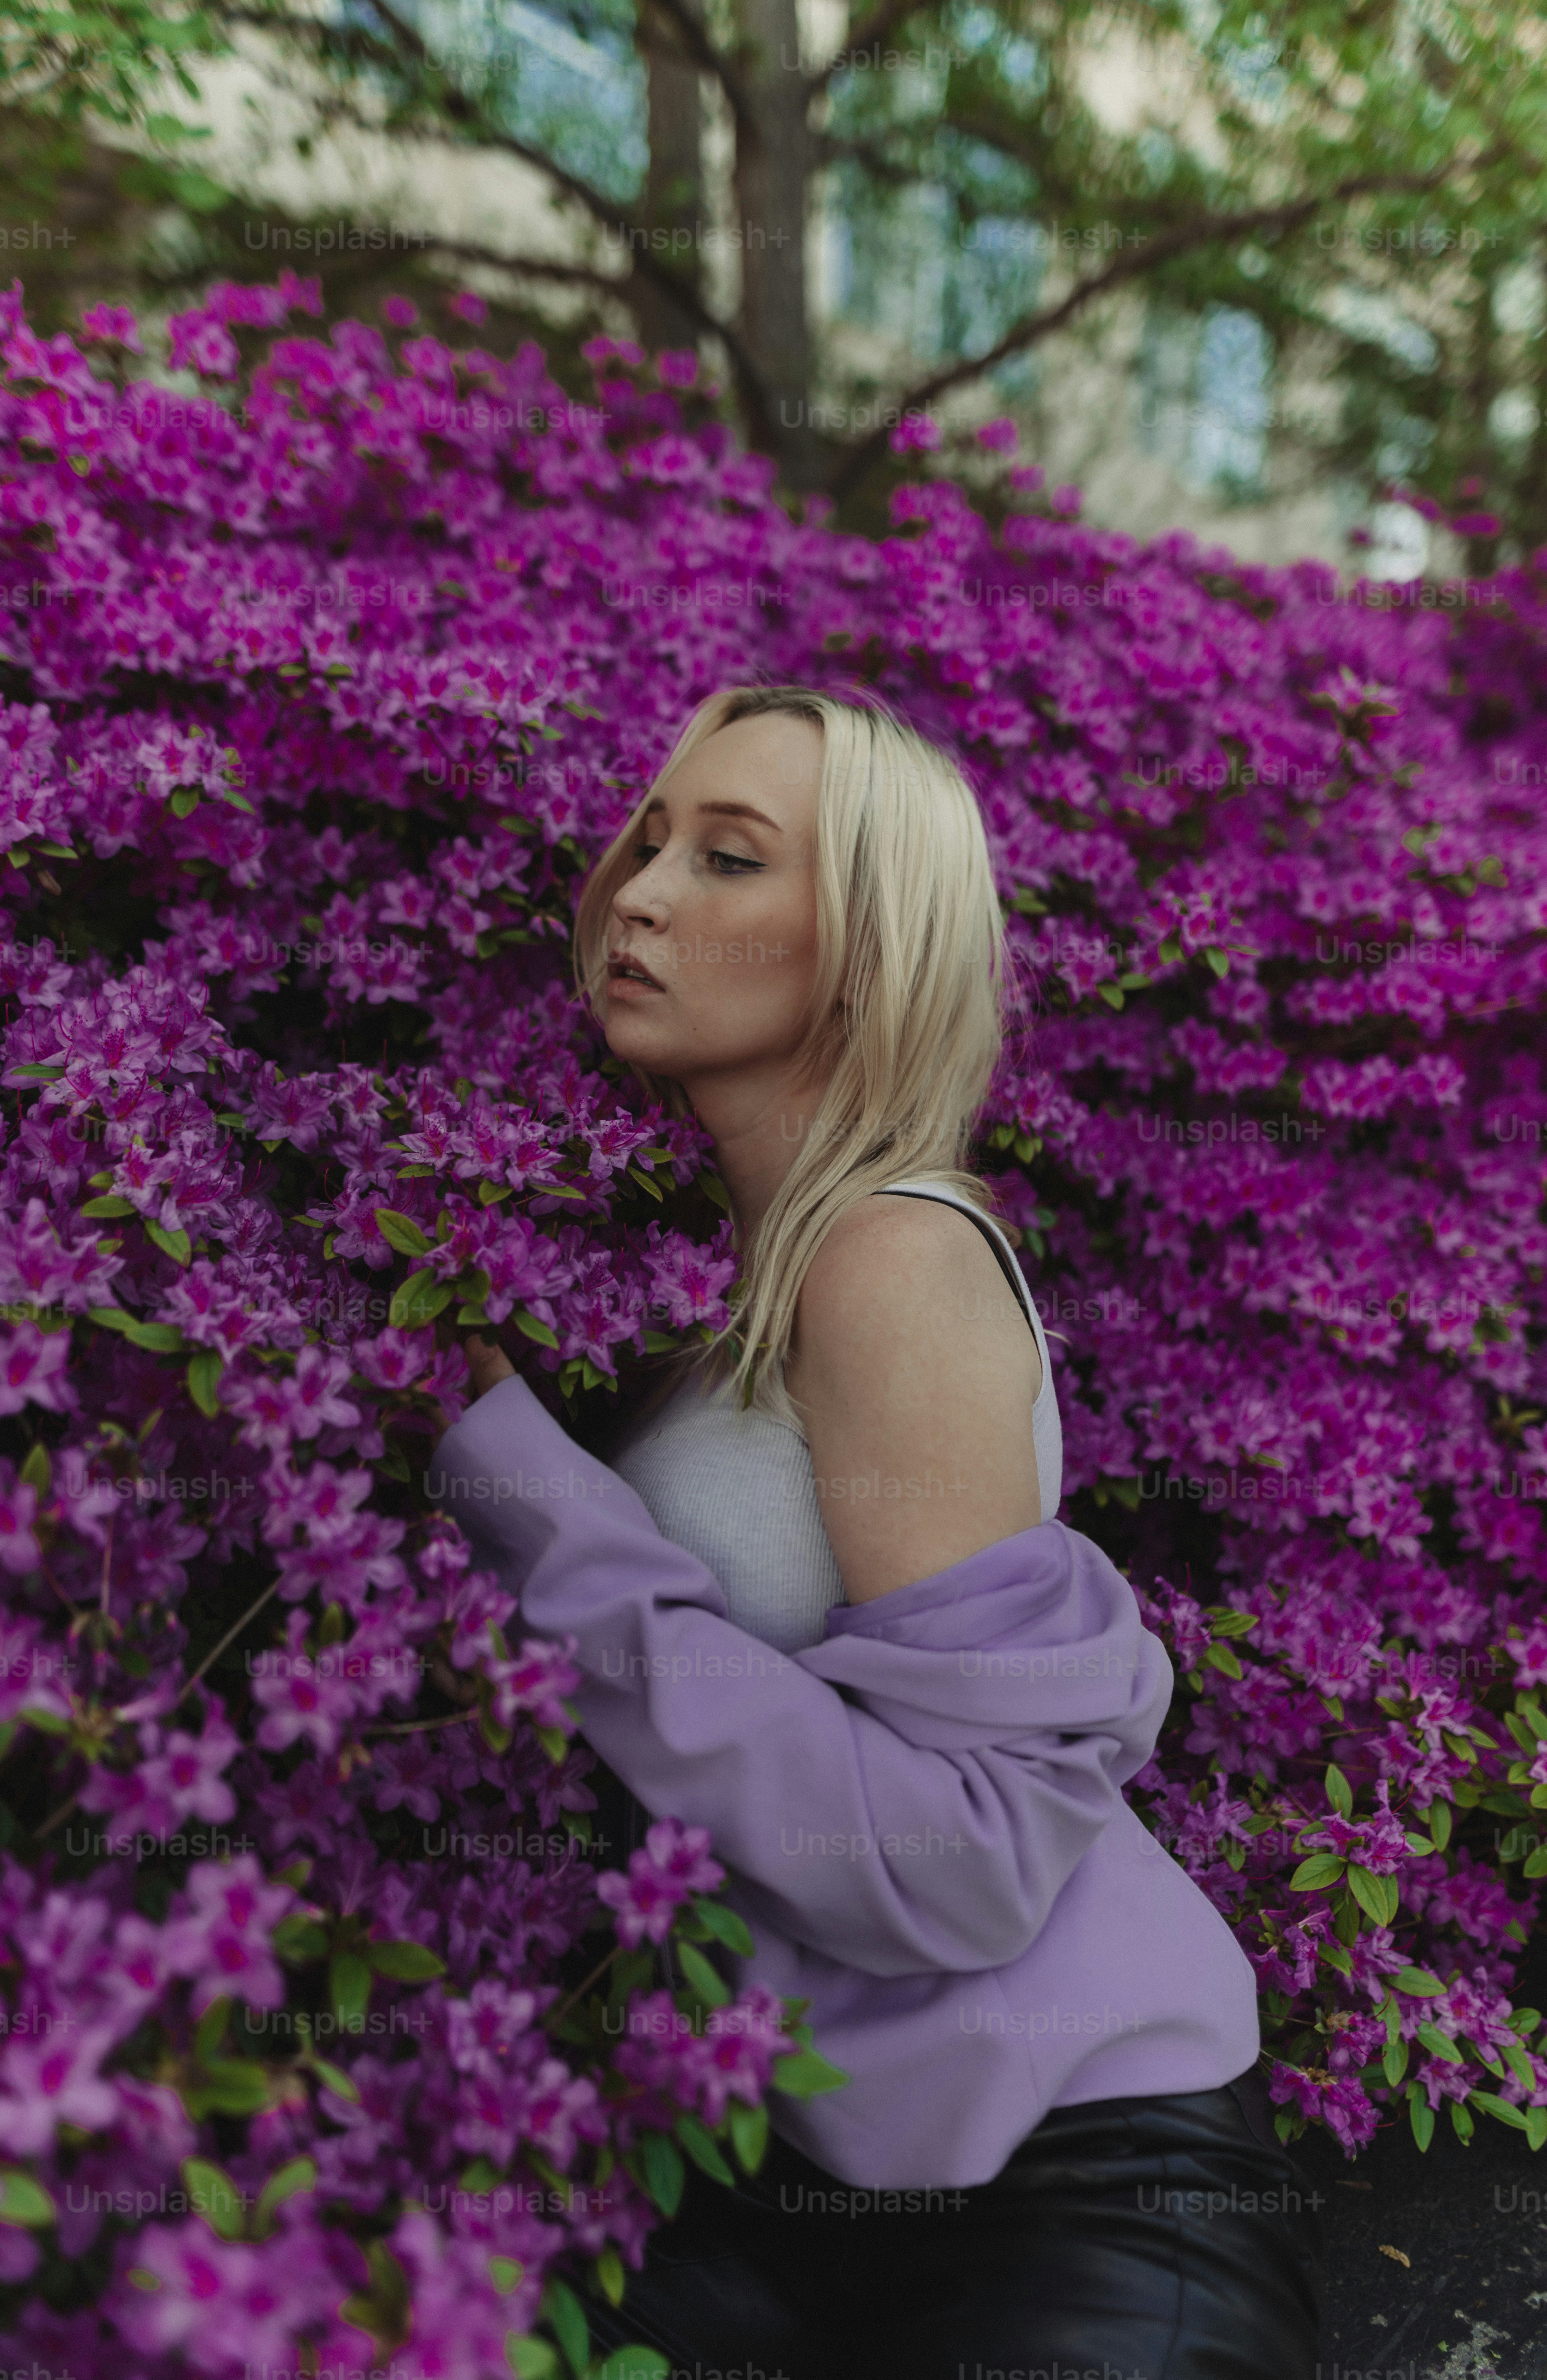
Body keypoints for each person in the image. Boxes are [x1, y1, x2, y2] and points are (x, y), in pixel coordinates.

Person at [431, 684, 1323, 2380]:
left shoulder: (887, 1260)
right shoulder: (707, 1272)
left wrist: (528, 1501)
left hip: (1088, 2182)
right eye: (646, 836)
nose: (636, 888)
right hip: (785, 2180)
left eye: (729, 857)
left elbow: (972, 1858)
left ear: (864, 952)